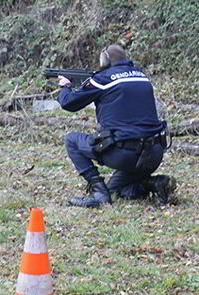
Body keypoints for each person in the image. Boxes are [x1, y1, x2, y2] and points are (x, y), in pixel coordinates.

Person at [57, 44, 174, 208]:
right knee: (116, 189)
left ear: (105, 60)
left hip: (124, 154)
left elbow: (68, 103)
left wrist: (65, 87)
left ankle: (99, 194)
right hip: (154, 154)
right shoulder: (141, 76)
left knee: (71, 140)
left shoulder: (102, 79)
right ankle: (153, 184)